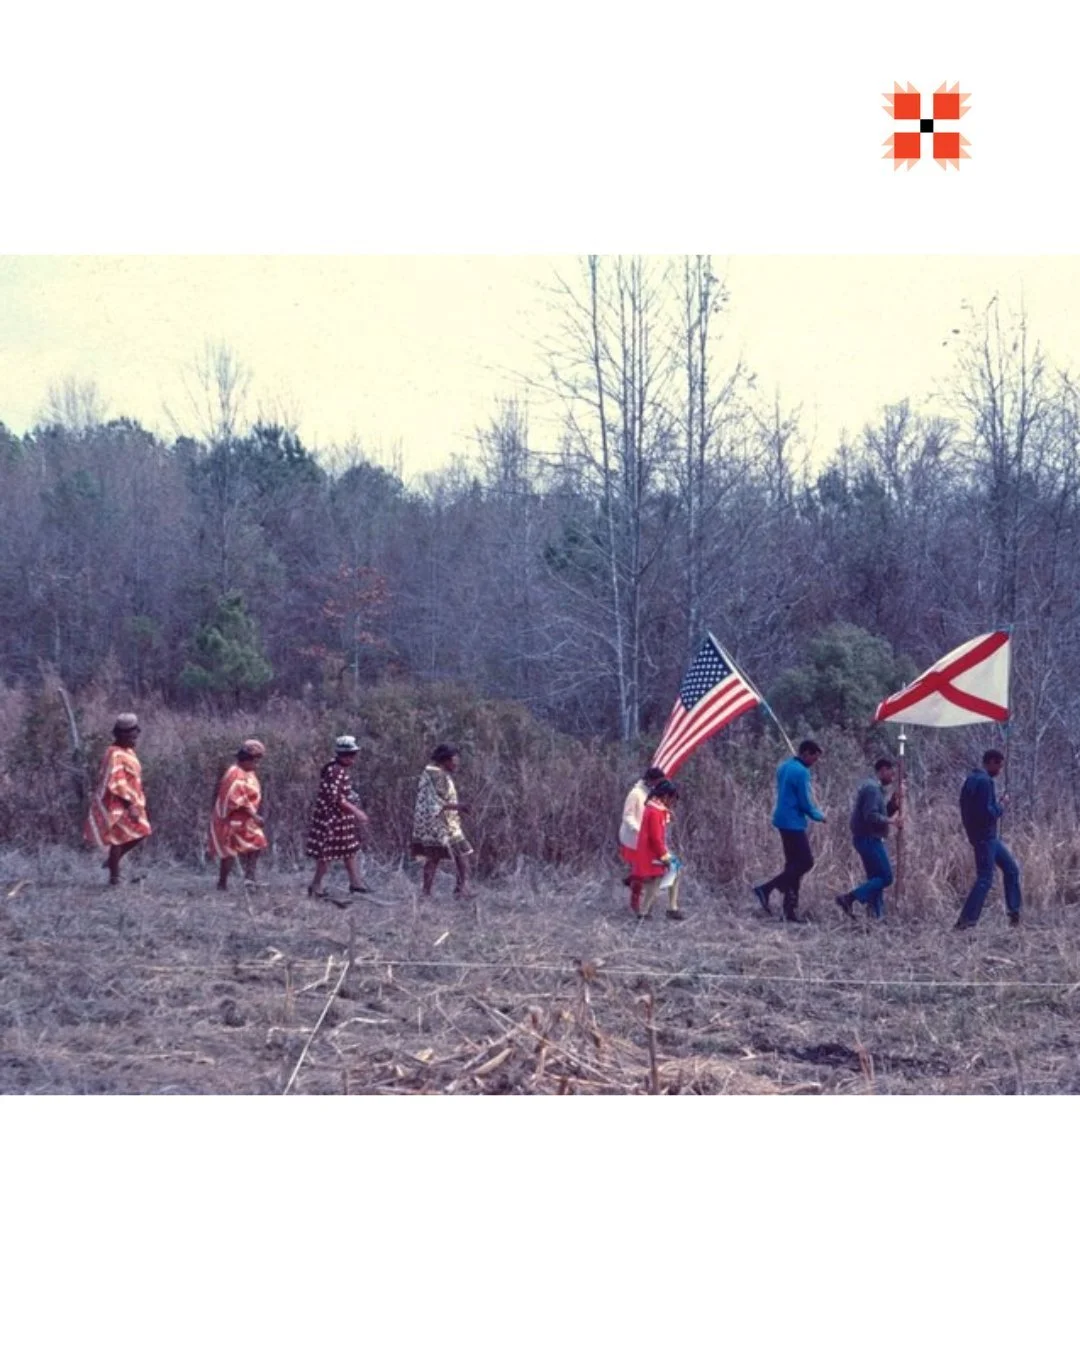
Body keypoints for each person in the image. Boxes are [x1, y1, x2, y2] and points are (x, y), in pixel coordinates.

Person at [752, 739, 826, 923]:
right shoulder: (801, 772)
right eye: (814, 758)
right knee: (806, 862)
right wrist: (819, 816)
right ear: (806, 753)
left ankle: (789, 911)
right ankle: (767, 889)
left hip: (781, 820)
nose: (814, 762)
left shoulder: (784, 766)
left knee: (793, 866)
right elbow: (804, 802)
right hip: (793, 822)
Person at [955, 749, 1022, 930]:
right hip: (985, 838)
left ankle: (1014, 914)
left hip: (984, 837)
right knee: (985, 878)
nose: (1000, 770)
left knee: (1011, 869)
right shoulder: (985, 782)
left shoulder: (971, 780)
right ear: (991, 762)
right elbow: (986, 814)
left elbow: (970, 810)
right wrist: (1002, 806)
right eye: (999, 766)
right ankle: (965, 922)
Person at [84, 713, 152, 885]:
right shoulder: (114, 754)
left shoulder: (127, 751)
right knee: (119, 838)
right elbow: (117, 783)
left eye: (136, 733)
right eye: (131, 734)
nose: (135, 737)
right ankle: (114, 877)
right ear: (120, 735)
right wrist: (130, 806)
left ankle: (112, 864)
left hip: (131, 801)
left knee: (138, 833)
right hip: (118, 802)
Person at [305, 735, 371, 906]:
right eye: (350, 755)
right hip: (332, 819)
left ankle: (356, 883)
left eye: (353, 754)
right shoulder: (335, 770)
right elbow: (337, 799)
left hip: (342, 819)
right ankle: (316, 886)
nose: (353, 758)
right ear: (342, 755)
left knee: (349, 850)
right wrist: (357, 812)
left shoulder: (339, 769)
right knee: (326, 853)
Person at [835, 757, 902, 920]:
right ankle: (849, 898)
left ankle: (877, 917)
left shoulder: (876, 789)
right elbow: (870, 816)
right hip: (868, 839)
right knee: (886, 877)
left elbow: (880, 813)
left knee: (875, 879)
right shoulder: (872, 789)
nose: (892, 778)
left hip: (867, 838)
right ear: (883, 770)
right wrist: (892, 821)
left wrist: (894, 803)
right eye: (891, 774)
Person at [411, 744, 474, 899]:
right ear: (444, 760)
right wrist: (460, 806)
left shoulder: (432, 773)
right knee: (445, 856)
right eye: (454, 759)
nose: (456, 763)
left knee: (450, 855)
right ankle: (456, 891)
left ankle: (457, 890)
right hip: (440, 823)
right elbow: (436, 803)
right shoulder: (437, 776)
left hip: (439, 823)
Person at [209, 739, 268, 891]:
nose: (257, 764)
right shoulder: (235, 774)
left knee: (256, 845)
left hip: (243, 818)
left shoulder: (246, 772)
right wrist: (255, 816)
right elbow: (236, 799)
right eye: (255, 760)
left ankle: (249, 879)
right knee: (231, 850)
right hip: (232, 818)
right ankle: (224, 883)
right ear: (247, 759)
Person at [628, 778, 685, 921]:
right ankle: (647, 912)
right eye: (671, 799)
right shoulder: (655, 812)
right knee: (656, 881)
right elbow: (656, 838)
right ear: (665, 796)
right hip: (652, 854)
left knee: (672, 873)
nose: (672, 802)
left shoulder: (653, 808)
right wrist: (665, 857)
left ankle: (669, 908)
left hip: (649, 852)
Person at [618, 766, 665, 914]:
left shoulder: (653, 794)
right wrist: (639, 829)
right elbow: (628, 816)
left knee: (647, 871)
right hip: (633, 839)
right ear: (650, 780)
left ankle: (633, 884)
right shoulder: (635, 794)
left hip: (646, 840)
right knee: (640, 871)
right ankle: (635, 902)